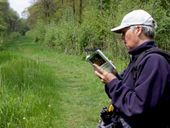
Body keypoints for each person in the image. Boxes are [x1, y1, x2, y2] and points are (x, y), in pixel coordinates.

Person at [93, 9, 170, 128]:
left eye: (124, 32)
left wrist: (113, 82)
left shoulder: (155, 62)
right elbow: (125, 95)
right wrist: (113, 77)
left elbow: (137, 107)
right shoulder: (139, 58)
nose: (122, 38)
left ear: (138, 30)